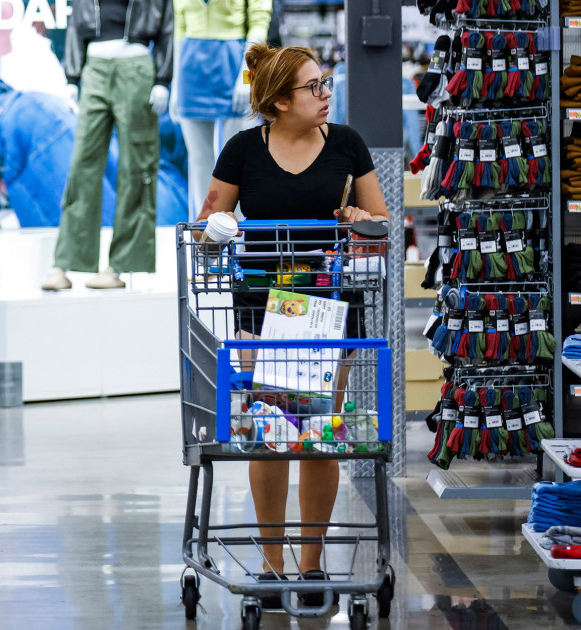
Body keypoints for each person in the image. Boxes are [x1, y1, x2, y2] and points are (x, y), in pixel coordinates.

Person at [196, 43, 389, 609]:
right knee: (269, 428)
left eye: (326, 83)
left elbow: (379, 221)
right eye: (314, 87)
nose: (326, 94)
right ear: (279, 101)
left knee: (320, 435)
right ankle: (271, 564)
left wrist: (360, 218)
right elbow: (208, 224)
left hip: (330, 305)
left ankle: (310, 566)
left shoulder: (347, 145)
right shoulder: (241, 150)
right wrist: (219, 226)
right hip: (262, 307)